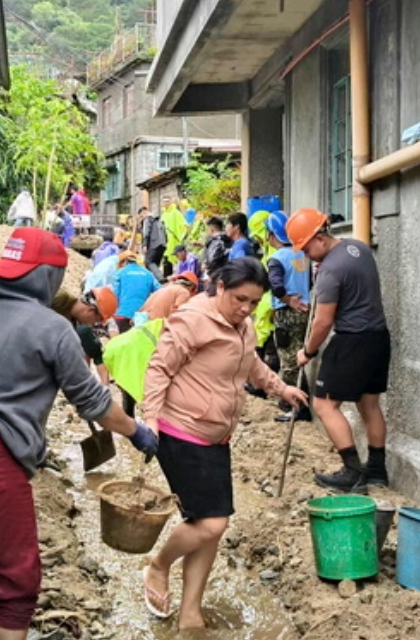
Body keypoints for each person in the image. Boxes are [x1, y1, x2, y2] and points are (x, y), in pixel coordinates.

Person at [0, 227, 158, 640]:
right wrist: (136, 432)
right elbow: (93, 401)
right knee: (17, 587)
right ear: (47, 279)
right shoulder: (51, 328)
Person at [141, 258, 308, 629]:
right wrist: (150, 419)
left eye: (254, 302)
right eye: (239, 299)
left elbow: (250, 364)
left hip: (217, 435)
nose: (246, 309)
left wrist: (281, 388)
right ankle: (158, 566)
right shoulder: (192, 319)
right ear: (219, 287)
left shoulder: (243, 325)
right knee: (212, 524)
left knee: (209, 523)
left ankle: (190, 611)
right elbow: (159, 368)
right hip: (181, 431)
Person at [289, 208, 391, 493]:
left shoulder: (330, 271)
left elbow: (323, 321)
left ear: (319, 237)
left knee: (323, 404)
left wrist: (308, 351)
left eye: (306, 247)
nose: (306, 254)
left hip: (351, 341)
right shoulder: (358, 248)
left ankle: (352, 471)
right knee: (369, 405)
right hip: (378, 337)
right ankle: (377, 470)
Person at [265, 211, 312, 422]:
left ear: (272, 234)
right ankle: (303, 403)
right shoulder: (301, 253)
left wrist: (288, 299)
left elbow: (276, 286)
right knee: (299, 357)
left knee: (289, 362)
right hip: (305, 312)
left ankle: (296, 408)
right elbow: (308, 282)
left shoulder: (276, 258)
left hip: (287, 314)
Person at [52, 286, 119, 385]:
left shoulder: (72, 321)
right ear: (91, 310)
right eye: (97, 320)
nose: (92, 324)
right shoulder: (55, 301)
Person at [112, 250, 160, 333]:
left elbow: (114, 294)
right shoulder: (148, 274)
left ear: (124, 262)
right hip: (141, 316)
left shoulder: (119, 273)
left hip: (123, 314)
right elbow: (160, 291)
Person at [202, 216, 230, 286]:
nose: (207, 232)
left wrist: (209, 273)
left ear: (212, 230)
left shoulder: (216, 242)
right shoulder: (228, 239)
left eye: (207, 229)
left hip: (215, 277)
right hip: (226, 276)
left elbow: (213, 259)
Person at [140, 206, 167, 280]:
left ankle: (160, 278)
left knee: (148, 261)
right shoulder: (159, 220)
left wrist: (144, 245)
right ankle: (156, 281)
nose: (141, 218)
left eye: (141, 216)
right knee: (155, 264)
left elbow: (146, 232)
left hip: (154, 244)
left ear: (144, 212)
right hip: (162, 245)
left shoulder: (147, 219)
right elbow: (165, 233)